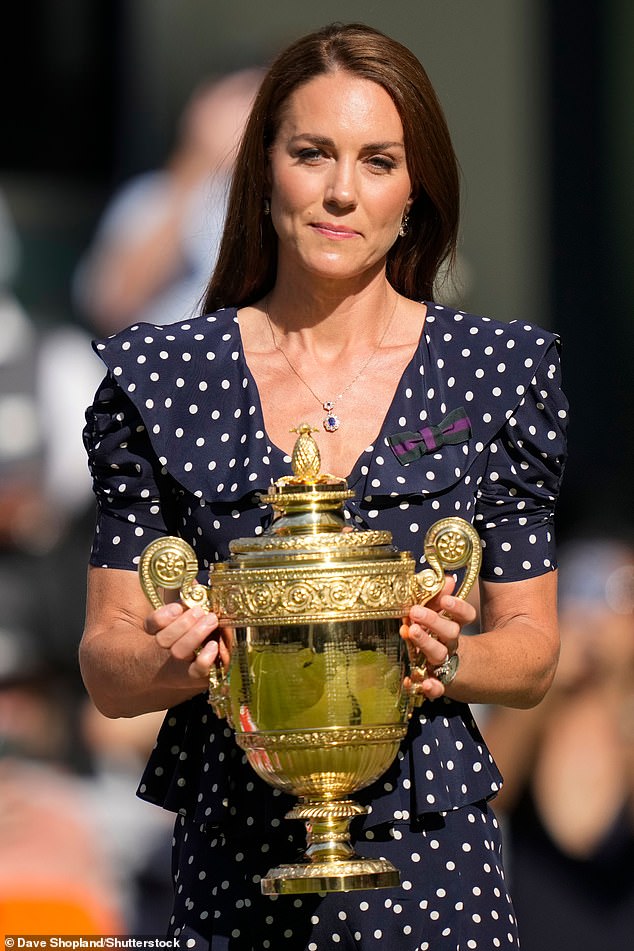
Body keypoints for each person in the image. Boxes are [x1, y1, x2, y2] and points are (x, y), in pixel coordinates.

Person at [80, 22, 568, 949]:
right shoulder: (163, 375)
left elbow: (534, 651)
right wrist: (179, 662)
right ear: (266, 173)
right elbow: (107, 664)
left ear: (414, 192)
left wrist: (441, 659)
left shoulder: (496, 371)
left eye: (378, 161)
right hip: (236, 860)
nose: (343, 190)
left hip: (436, 862)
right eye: (313, 154)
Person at [482, 536, 634, 950]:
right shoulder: (541, 722)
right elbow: (490, 788)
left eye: (619, 594)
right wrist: (542, 683)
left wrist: (619, 689)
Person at [74, 68, 263, 334]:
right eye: (242, 96)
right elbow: (116, 303)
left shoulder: (265, 205)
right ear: (202, 105)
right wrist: (202, 168)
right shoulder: (146, 195)